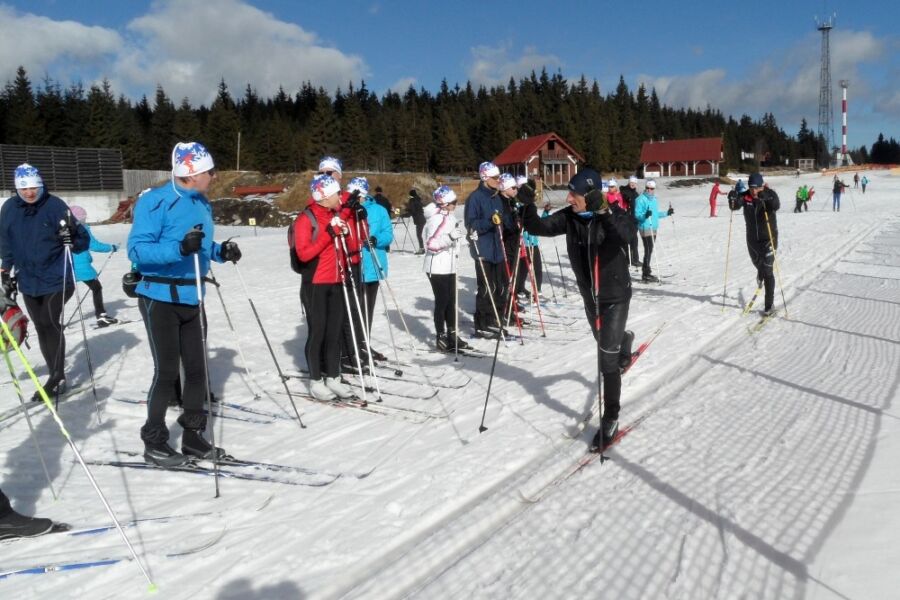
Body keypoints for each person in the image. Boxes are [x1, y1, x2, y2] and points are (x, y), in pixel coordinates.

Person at [127, 142, 241, 466]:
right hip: (159, 297)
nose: (214, 176)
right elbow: (137, 250)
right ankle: (154, 441)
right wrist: (178, 248)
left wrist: (220, 251)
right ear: (191, 174)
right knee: (165, 372)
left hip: (193, 297)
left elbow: (200, 246)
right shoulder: (155, 201)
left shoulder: (202, 202)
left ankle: (192, 437)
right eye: (209, 171)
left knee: (196, 371)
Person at [520, 167, 637, 450]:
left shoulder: (616, 214)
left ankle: (611, 417)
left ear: (591, 195)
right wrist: (526, 205)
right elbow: (537, 227)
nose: (569, 198)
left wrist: (605, 214)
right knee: (604, 341)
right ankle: (625, 339)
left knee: (606, 360)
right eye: (569, 193)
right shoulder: (570, 218)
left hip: (615, 295)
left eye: (575, 194)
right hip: (591, 297)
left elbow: (625, 235)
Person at [0, 163, 89, 399]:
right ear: (17, 188)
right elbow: (6, 243)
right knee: (40, 325)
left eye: (34, 187)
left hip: (57, 276)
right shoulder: (9, 209)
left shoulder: (55, 205)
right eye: (24, 188)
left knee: (50, 320)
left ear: (41, 185)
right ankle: (54, 372)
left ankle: (57, 378)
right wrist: (4, 270)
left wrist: (70, 237)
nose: (30, 192)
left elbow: (82, 240)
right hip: (28, 278)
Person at [293, 174, 357, 401]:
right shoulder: (305, 219)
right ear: (324, 196)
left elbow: (345, 238)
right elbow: (304, 253)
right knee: (318, 332)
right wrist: (329, 235)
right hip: (315, 284)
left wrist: (349, 210)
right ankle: (316, 381)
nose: (341, 196)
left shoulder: (334, 214)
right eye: (337, 193)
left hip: (337, 281)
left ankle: (333, 377)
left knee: (334, 333)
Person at [464, 161, 512, 339]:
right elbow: (471, 225)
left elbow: (503, 219)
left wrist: (508, 219)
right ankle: (482, 323)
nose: (498, 180)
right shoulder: (475, 198)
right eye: (495, 177)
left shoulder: (496, 196)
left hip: (498, 248)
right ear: (485, 177)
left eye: (499, 177)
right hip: (483, 249)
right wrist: (490, 221)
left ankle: (496, 319)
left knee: (500, 287)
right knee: (486, 287)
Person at [349, 177, 393, 363]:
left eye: (358, 193)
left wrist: (376, 240)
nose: (355, 197)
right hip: (354, 266)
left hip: (373, 265)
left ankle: (364, 343)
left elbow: (388, 234)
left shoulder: (379, 210)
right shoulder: (346, 210)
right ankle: (353, 346)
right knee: (354, 309)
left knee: (368, 309)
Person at [423, 186, 471, 352]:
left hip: (450, 265)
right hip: (436, 266)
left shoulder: (449, 217)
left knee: (452, 301)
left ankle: (452, 334)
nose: (455, 205)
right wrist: (450, 237)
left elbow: (453, 240)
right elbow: (431, 245)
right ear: (443, 204)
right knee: (442, 301)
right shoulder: (435, 220)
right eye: (453, 202)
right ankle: (440, 336)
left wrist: (468, 239)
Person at [728, 171, 780, 316]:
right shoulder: (746, 196)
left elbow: (776, 205)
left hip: (769, 238)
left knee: (768, 271)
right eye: (751, 187)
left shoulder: (770, 193)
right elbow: (735, 205)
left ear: (762, 186)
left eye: (756, 188)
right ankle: (760, 271)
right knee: (759, 265)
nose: (754, 191)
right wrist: (732, 198)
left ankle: (769, 306)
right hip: (752, 240)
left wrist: (767, 198)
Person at [68, 205, 119, 327]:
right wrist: (111, 247)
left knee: (66, 292)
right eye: (83, 218)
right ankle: (101, 316)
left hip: (68, 266)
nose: (85, 221)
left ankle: (52, 318)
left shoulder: (65, 230)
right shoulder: (82, 229)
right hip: (82, 266)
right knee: (96, 288)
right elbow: (94, 245)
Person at [633, 180, 673, 283]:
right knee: (648, 249)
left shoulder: (654, 199)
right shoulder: (640, 199)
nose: (649, 190)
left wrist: (667, 213)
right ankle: (645, 274)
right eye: (648, 188)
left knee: (650, 250)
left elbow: (655, 214)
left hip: (653, 227)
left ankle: (647, 272)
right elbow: (637, 215)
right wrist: (644, 215)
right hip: (645, 227)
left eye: (651, 188)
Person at [620, 175, 641, 266]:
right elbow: (624, 195)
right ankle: (626, 260)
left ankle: (635, 259)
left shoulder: (636, 194)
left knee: (634, 240)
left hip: (635, 219)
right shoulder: (625, 190)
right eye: (631, 183)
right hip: (627, 218)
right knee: (626, 239)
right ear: (629, 182)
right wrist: (627, 198)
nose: (633, 184)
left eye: (634, 183)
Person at [407, 189, 426, 255]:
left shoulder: (412, 201)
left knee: (419, 235)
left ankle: (422, 249)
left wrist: (404, 215)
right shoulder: (418, 199)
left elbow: (412, 211)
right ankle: (422, 248)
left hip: (419, 219)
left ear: (410, 195)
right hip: (422, 219)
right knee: (419, 235)